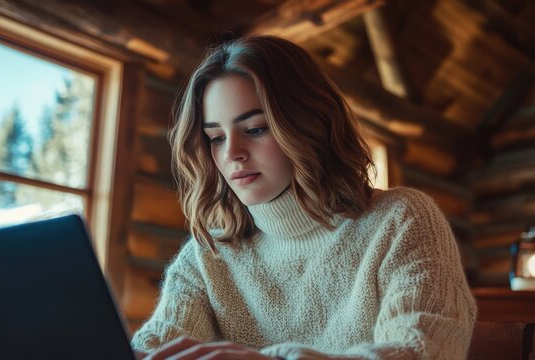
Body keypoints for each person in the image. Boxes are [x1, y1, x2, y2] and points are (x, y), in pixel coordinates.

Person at [131, 35, 476, 360]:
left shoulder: (401, 219)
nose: (232, 153)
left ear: (309, 124)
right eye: (216, 138)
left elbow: (421, 350)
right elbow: (156, 345)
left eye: (255, 129)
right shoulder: (208, 256)